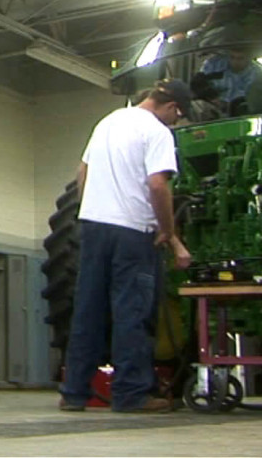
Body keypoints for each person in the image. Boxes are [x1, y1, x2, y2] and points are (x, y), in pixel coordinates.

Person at [59, 79, 193, 414]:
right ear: (173, 106)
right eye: (178, 115)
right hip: (132, 231)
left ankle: (74, 393)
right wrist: (168, 232)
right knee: (132, 313)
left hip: (93, 226)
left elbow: (82, 173)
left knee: (87, 311)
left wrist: (90, 209)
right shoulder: (158, 132)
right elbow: (158, 185)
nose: (175, 122)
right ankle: (132, 394)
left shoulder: (108, 121)